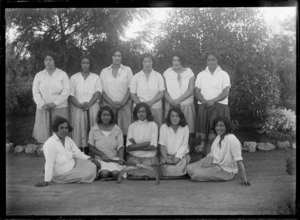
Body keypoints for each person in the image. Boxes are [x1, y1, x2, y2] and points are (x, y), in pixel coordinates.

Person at [35, 116, 100, 187]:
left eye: (66, 128)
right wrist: (46, 180)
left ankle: (89, 175)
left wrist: (90, 158)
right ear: (55, 129)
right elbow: (49, 163)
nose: (64, 130)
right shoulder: (50, 143)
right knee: (88, 173)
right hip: (62, 174)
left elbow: (77, 153)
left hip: (74, 164)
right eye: (61, 128)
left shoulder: (68, 139)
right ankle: (88, 176)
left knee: (92, 165)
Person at [187, 116, 252, 186]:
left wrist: (244, 179)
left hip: (226, 171)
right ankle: (206, 170)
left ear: (227, 126)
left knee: (196, 175)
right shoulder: (219, 137)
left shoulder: (232, 140)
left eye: (221, 126)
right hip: (214, 161)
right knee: (189, 168)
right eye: (217, 126)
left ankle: (205, 171)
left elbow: (239, 160)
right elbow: (213, 153)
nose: (219, 128)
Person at [195, 51, 231, 156]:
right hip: (204, 107)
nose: (211, 62)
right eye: (209, 60)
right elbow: (197, 92)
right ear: (206, 61)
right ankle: (204, 158)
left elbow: (226, 92)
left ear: (217, 60)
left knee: (218, 133)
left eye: (213, 59)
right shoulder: (201, 75)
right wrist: (204, 101)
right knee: (203, 135)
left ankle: (221, 157)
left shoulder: (224, 74)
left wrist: (213, 101)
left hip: (219, 107)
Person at [32, 51, 70, 144]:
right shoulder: (39, 75)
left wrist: (54, 103)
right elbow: (35, 92)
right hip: (43, 109)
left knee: (60, 134)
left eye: (50, 59)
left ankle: (61, 155)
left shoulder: (62, 74)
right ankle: (48, 155)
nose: (48, 62)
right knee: (45, 136)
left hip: (59, 108)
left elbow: (66, 92)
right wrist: (42, 104)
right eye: (46, 60)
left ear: (54, 61)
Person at [69, 55, 102, 154]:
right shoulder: (74, 77)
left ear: (90, 64)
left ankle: (92, 153)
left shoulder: (95, 77)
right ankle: (79, 153)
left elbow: (98, 92)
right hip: (78, 108)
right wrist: (79, 105)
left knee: (93, 128)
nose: (85, 65)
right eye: (83, 63)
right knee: (79, 130)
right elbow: (71, 95)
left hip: (92, 107)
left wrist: (89, 104)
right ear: (80, 64)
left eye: (87, 63)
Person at [99, 49, 133, 144]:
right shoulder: (104, 71)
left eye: (119, 56)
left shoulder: (127, 70)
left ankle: (124, 155)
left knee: (124, 131)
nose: (117, 58)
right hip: (109, 106)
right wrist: (112, 104)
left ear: (122, 57)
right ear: (111, 57)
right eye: (115, 55)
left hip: (124, 105)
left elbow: (131, 88)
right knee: (109, 130)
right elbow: (101, 91)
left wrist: (122, 103)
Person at [88, 106, 125, 179]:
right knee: (104, 174)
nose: (106, 117)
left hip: (114, 160)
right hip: (100, 160)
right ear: (100, 116)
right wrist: (102, 155)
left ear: (111, 116)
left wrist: (120, 158)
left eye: (108, 115)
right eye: (104, 115)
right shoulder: (94, 129)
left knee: (115, 174)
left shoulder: (117, 129)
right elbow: (90, 146)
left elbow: (120, 146)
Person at [163, 52, 196, 135]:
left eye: (178, 60)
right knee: (171, 131)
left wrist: (178, 100)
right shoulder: (166, 73)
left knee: (187, 131)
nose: (176, 62)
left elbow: (191, 89)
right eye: (174, 60)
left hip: (186, 105)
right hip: (171, 105)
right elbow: (164, 90)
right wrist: (171, 102)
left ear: (182, 61)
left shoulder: (189, 72)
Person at [130, 53, 165, 129]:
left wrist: (151, 102)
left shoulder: (158, 76)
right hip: (140, 109)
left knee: (156, 130)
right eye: (145, 61)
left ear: (152, 62)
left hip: (155, 107)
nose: (147, 63)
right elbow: (133, 94)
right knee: (139, 130)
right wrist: (141, 106)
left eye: (149, 61)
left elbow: (162, 92)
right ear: (142, 63)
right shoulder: (136, 76)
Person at [126, 102, 159, 178]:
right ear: (136, 113)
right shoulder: (132, 126)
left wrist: (136, 146)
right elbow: (129, 147)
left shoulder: (153, 125)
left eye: (143, 111)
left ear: (147, 112)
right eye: (139, 111)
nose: (141, 114)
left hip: (149, 157)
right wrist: (145, 144)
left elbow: (153, 146)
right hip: (134, 157)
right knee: (133, 172)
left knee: (150, 172)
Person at [159, 107, 190, 177]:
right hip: (167, 156)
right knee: (166, 170)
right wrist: (166, 158)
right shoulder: (163, 127)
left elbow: (185, 145)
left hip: (181, 157)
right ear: (169, 117)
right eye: (172, 116)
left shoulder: (185, 127)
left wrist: (178, 157)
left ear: (180, 117)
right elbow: (162, 145)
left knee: (178, 169)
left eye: (177, 116)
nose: (175, 118)